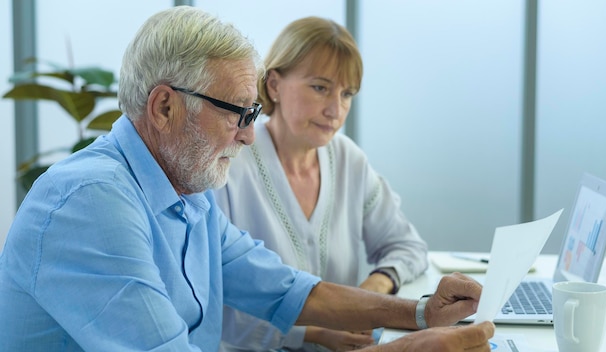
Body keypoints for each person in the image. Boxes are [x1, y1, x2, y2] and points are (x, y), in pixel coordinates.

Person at [0, 6, 494, 352]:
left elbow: (286, 291)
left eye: (253, 113)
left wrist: (421, 315)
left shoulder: (186, 190)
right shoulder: (91, 202)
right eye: (237, 113)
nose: (249, 136)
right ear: (165, 106)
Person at [215, 17, 429, 352]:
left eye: (347, 94)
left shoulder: (348, 160)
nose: (335, 110)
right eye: (320, 88)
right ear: (273, 85)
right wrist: (313, 332)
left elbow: (408, 246)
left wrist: (377, 283)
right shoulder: (229, 167)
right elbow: (214, 300)